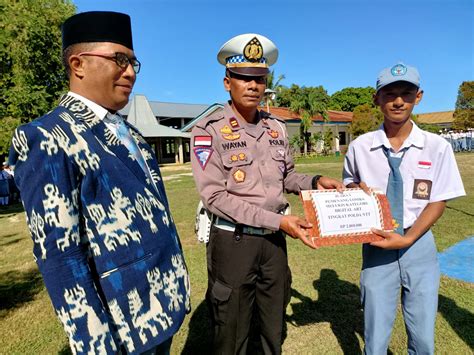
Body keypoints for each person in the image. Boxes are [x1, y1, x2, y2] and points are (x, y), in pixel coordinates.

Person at [8, 11, 189, 354]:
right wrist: (95, 345)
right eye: (119, 60)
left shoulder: (131, 134)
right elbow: (61, 257)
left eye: (134, 62)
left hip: (164, 308)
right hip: (122, 328)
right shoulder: (46, 137)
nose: (131, 72)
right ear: (78, 64)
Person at [191, 33, 343, 354]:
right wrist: (279, 221)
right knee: (231, 334)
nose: (253, 86)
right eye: (244, 78)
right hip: (234, 244)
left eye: (259, 78)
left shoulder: (275, 128)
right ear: (226, 82)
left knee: (273, 329)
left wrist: (316, 181)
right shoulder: (208, 130)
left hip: (274, 245)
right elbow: (215, 198)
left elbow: (287, 177)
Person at [343, 62, 466, 354]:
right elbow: (348, 185)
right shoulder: (360, 147)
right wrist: (352, 191)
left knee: (423, 335)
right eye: (389, 94)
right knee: (375, 335)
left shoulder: (437, 147)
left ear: (419, 97)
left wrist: (409, 238)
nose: (398, 101)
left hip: (418, 244)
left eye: (406, 93)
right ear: (377, 98)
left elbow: (439, 199)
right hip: (376, 245)